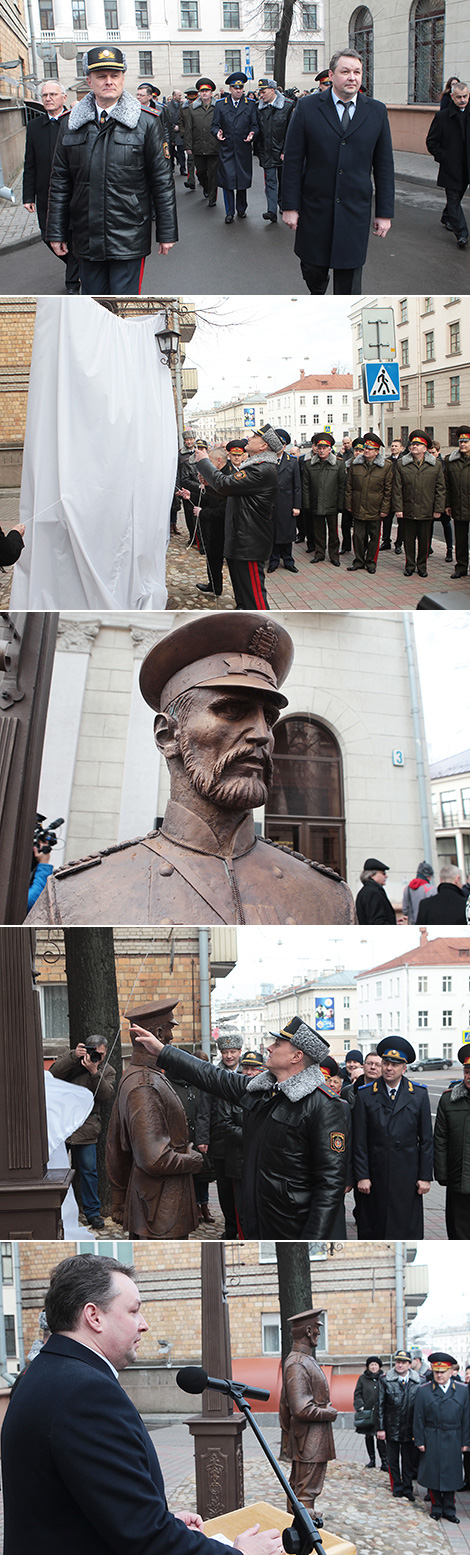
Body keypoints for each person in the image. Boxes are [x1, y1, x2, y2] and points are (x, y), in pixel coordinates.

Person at [26, 613, 355, 927]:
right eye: (231, 710)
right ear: (168, 736)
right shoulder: (77, 897)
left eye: (268, 718)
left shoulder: (328, 896)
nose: (263, 733)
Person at [1, 1253, 284, 1555]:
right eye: (134, 1311)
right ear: (93, 1316)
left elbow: (77, 1503)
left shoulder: (40, 1371)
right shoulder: (86, 1393)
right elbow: (148, 1540)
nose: (144, 1324)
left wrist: (160, 1518)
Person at [130, 1015, 351, 1239]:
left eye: (278, 1044)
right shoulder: (263, 1090)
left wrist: (312, 1241)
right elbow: (211, 1075)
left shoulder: (324, 1105)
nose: (269, 1047)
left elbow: (330, 1184)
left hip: (293, 1225)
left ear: (297, 1056)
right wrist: (162, 1051)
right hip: (259, 1216)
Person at [46, 45, 177, 296]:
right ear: (89, 80)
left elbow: (162, 180)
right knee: (93, 305)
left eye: (114, 75)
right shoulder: (70, 125)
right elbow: (60, 182)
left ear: (123, 78)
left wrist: (166, 231)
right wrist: (56, 230)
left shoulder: (147, 122)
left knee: (124, 305)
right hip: (86, 235)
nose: (108, 82)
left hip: (129, 234)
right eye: (101, 76)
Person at [281, 48, 394, 294]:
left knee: (350, 281)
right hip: (315, 209)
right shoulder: (307, 108)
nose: (352, 77)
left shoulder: (376, 111)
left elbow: (384, 165)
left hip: (355, 211)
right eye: (345, 72)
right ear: (332, 75)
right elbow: (292, 160)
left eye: (357, 72)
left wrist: (384, 213)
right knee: (313, 271)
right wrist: (289, 206)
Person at [105, 1014, 204, 1237]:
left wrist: (118, 1195)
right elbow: (153, 1159)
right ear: (158, 1034)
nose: (171, 1037)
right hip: (159, 1211)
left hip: (158, 1205)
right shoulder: (144, 1085)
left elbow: (113, 1145)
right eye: (169, 1031)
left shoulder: (142, 1076)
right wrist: (192, 1161)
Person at [352, 1036, 433, 1238]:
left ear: (404, 1068)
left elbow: (426, 1140)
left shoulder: (419, 1095)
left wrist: (425, 1177)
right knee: (374, 1225)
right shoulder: (366, 1094)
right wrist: (362, 1176)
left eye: (395, 1065)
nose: (389, 1068)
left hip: (408, 1174)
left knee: (406, 1225)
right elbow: (359, 1139)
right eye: (386, 1063)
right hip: (375, 1172)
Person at [195, 424, 281, 608]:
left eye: (255, 437)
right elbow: (232, 492)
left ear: (263, 446)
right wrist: (210, 486)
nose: (249, 438)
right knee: (242, 597)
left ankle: (262, 629)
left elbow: (225, 485)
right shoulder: (254, 466)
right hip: (240, 540)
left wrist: (204, 462)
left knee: (255, 601)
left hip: (249, 543)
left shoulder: (261, 468)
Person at [49, 1038, 115, 1230]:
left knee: (89, 1172)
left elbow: (105, 1094)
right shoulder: (71, 1059)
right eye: (94, 1052)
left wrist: (94, 1072)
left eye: (101, 1055)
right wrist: (73, 1057)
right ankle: (58, 1209)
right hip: (64, 1124)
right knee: (57, 1169)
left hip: (87, 1127)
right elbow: (52, 1074)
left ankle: (92, 1212)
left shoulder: (107, 1070)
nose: (97, 1057)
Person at [22, 79, 80, 293]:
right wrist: (28, 195)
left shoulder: (75, 121)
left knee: (73, 236)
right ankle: (79, 268)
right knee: (50, 237)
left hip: (73, 192)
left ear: (64, 98)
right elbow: (30, 162)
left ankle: (73, 283)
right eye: (45, 95)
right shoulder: (35, 126)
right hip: (45, 193)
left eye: (53, 94)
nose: (48, 98)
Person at [279, 1308, 337, 1513]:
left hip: (313, 1438)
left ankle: (301, 1522)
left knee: (303, 1487)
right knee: (305, 1489)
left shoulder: (305, 1360)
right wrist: (328, 1414)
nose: (319, 1334)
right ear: (309, 1331)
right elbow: (300, 1408)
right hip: (308, 1440)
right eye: (317, 1330)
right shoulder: (297, 1363)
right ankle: (303, 1533)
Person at [196, 1029, 244, 1238]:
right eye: (225, 1052)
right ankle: (231, 1228)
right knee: (224, 1189)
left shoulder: (247, 1073)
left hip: (243, 1142)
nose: (229, 1056)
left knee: (243, 1188)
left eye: (233, 1051)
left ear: (239, 1052)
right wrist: (203, 1138)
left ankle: (243, 1226)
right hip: (220, 1140)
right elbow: (204, 1108)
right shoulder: (213, 1075)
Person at [413, 1351, 470, 1522]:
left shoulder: (462, 1391)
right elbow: (418, 1417)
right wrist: (420, 1440)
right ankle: (436, 1507)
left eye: (442, 1372)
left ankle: (450, 1510)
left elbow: (467, 1418)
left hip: (453, 1436)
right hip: (432, 1436)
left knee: (452, 1473)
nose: (439, 1375)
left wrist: (466, 1441)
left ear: (451, 1371)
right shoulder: (423, 1391)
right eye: (436, 1371)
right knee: (434, 1472)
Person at [392, 430, 446, 579]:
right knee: (408, 540)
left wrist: (438, 509)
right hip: (408, 509)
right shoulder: (402, 464)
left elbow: (440, 488)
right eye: (412, 444)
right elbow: (397, 489)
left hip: (426, 509)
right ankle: (409, 565)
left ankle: (422, 566)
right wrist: (398, 508)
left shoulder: (435, 465)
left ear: (425, 448)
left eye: (418, 444)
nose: (414, 446)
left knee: (424, 541)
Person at [426, 81, 470, 249]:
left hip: (467, 167)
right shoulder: (442, 117)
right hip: (451, 167)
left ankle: (447, 217)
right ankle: (462, 234)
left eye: (465, 96)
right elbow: (431, 142)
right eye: (458, 97)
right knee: (453, 199)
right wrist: (444, 157)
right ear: (452, 97)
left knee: (457, 197)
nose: (462, 100)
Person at [433, 1040, 470, 1239]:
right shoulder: (449, 1100)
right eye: (467, 1071)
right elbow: (440, 1139)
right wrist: (442, 1173)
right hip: (458, 1180)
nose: (469, 1076)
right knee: (459, 1233)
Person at [211, 72, 258, 223]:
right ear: (230, 89)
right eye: (235, 88)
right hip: (227, 148)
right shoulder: (220, 105)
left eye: (241, 88)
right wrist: (216, 133)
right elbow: (214, 125)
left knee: (242, 181)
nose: (238, 90)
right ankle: (229, 212)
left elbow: (255, 125)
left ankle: (241, 208)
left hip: (243, 148)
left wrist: (252, 133)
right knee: (228, 181)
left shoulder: (250, 104)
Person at [345, 433, 393, 575]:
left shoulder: (385, 467)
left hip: (375, 508)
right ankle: (359, 561)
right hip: (358, 506)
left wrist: (385, 509)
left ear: (377, 452)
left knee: (374, 537)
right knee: (358, 536)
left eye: (370, 449)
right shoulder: (355, 464)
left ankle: (371, 562)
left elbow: (388, 489)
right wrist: (349, 504)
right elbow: (349, 486)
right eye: (366, 447)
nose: (367, 450)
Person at [376, 1349, 420, 1499]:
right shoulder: (385, 1380)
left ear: (409, 1364)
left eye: (404, 1362)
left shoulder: (418, 1381)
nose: (400, 1365)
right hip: (391, 1426)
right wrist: (381, 1428)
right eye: (398, 1362)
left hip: (410, 1428)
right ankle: (397, 1487)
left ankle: (408, 1488)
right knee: (392, 1460)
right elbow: (380, 1405)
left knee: (408, 1461)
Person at [301, 431, 345, 564]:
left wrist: (340, 505)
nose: (321, 451)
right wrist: (307, 504)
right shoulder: (309, 465)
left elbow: (342, 486)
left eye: (324, 448)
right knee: (318, 532)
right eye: (319, 448)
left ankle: (334, 556)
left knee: (333, 532)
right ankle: (319, 553)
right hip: (316, 503)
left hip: (332, 503)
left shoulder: (338, 464)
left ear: (330, 449)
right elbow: (306, 486)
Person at [255, 78, 294, 222]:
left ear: (273, 90)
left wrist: (286, 151)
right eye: (260, 92)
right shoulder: (258, 108)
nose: (261, 95)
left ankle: (283, 204)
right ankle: (271, 211)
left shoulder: (288, 106)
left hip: (283, 152)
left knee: (283, 181)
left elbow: (291, 131)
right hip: (266, 152)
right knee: (270, 181)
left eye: (263, 92)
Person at [268, 428, 301, 573]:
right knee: (273, 534)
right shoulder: (267, 461)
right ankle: (273, 561)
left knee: (287, 534)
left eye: (282, 444)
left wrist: (297, 506)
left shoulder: (292, 462)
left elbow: (297, 486)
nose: (279, 447)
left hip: (287, 504)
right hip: (271, 504)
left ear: (285, 446)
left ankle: (288, 560)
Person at [185, 78, 219, 205]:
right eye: (202, 91)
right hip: (198, 145)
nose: (204, 93)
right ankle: (206, 187)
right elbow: (188, 128)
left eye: (207, 91)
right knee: (200, 172)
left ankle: (212, 198)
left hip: (214, 145)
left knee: (213, 173)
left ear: (211, 93)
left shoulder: (218, 107)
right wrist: (188, 146)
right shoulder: (192, 108)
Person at [445, 425, 470, 580]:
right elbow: (447, 485)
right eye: (461, 441)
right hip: (459, 505)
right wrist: (448, 504)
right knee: (460, 540)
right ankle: (461, 567)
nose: (463, 444)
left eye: (466, 441)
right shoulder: (451, 461)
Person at [354, 1357, 388, 1470]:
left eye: (376, 1365)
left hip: (380, 1413)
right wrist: (360, 1405)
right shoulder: (362, 1379)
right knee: (368, 1436)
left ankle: (384, 1461)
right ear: (368, 1367)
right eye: (371, 1365)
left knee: (380, 1437)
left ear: (379, 1367)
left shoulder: (384, 1378)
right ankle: (372, 1459)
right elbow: (357, 1393)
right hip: (367, 1413)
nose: (373, 1367)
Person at [355, 858, 397, 925]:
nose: (386, 876)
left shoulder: (369, 890)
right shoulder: (372, 893)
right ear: (372, 875)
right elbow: (376, 922)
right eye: (383, 873)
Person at [380, 438, 404, 552]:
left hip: (400, 495)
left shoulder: (404, 461)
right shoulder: (387, 461)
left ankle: (399, 543)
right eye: (392, 446)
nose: (393, 448)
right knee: (387, 519)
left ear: (402, 448)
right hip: (389, 495)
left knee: (401, 521)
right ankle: (386, 541)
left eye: (396, 446)